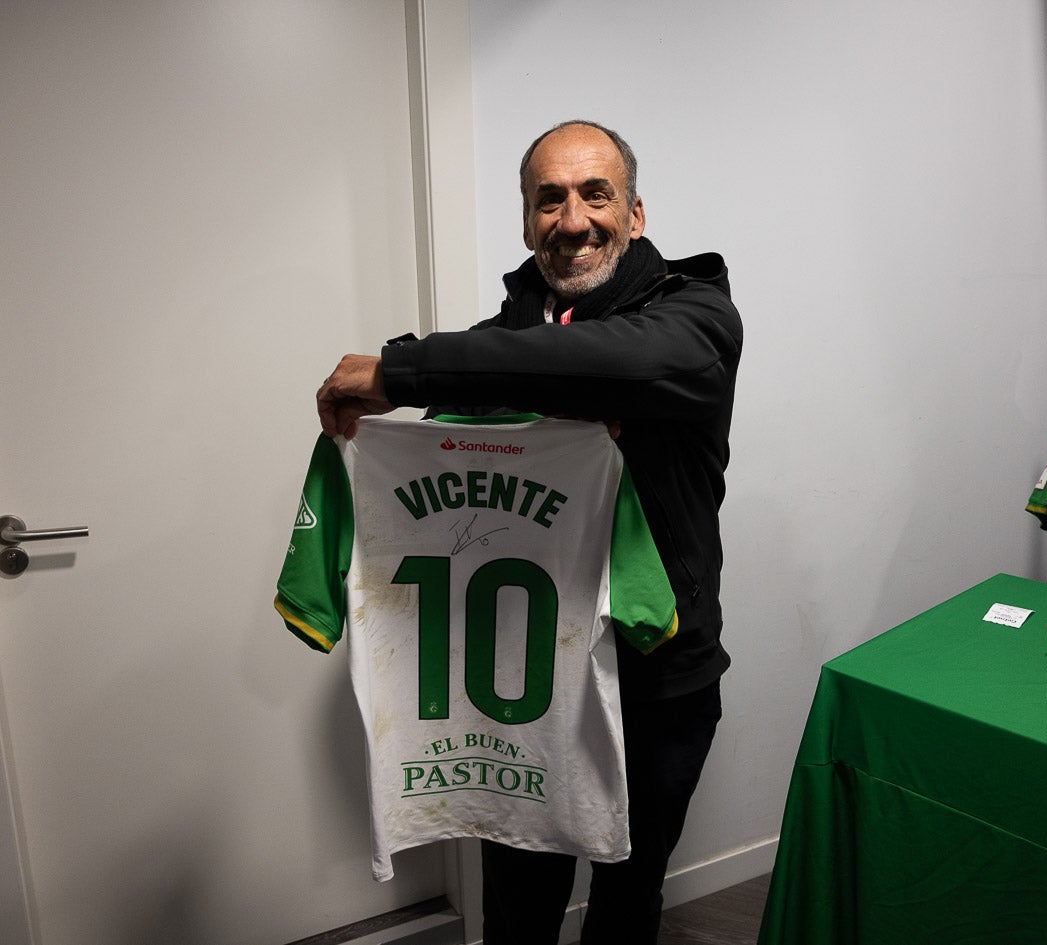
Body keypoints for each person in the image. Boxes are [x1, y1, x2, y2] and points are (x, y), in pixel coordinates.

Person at [315, 119, 743, 944]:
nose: (572, 218)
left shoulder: (696, 317)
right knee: (517, 897)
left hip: (658, 678)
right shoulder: (506, 340)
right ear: (525, 223)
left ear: (636, 213)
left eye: (595, 193)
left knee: (625, 900)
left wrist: (399, 371)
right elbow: (473, 386)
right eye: (549, 199)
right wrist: (405, 386)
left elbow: (631, 362)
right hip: (526, 681)